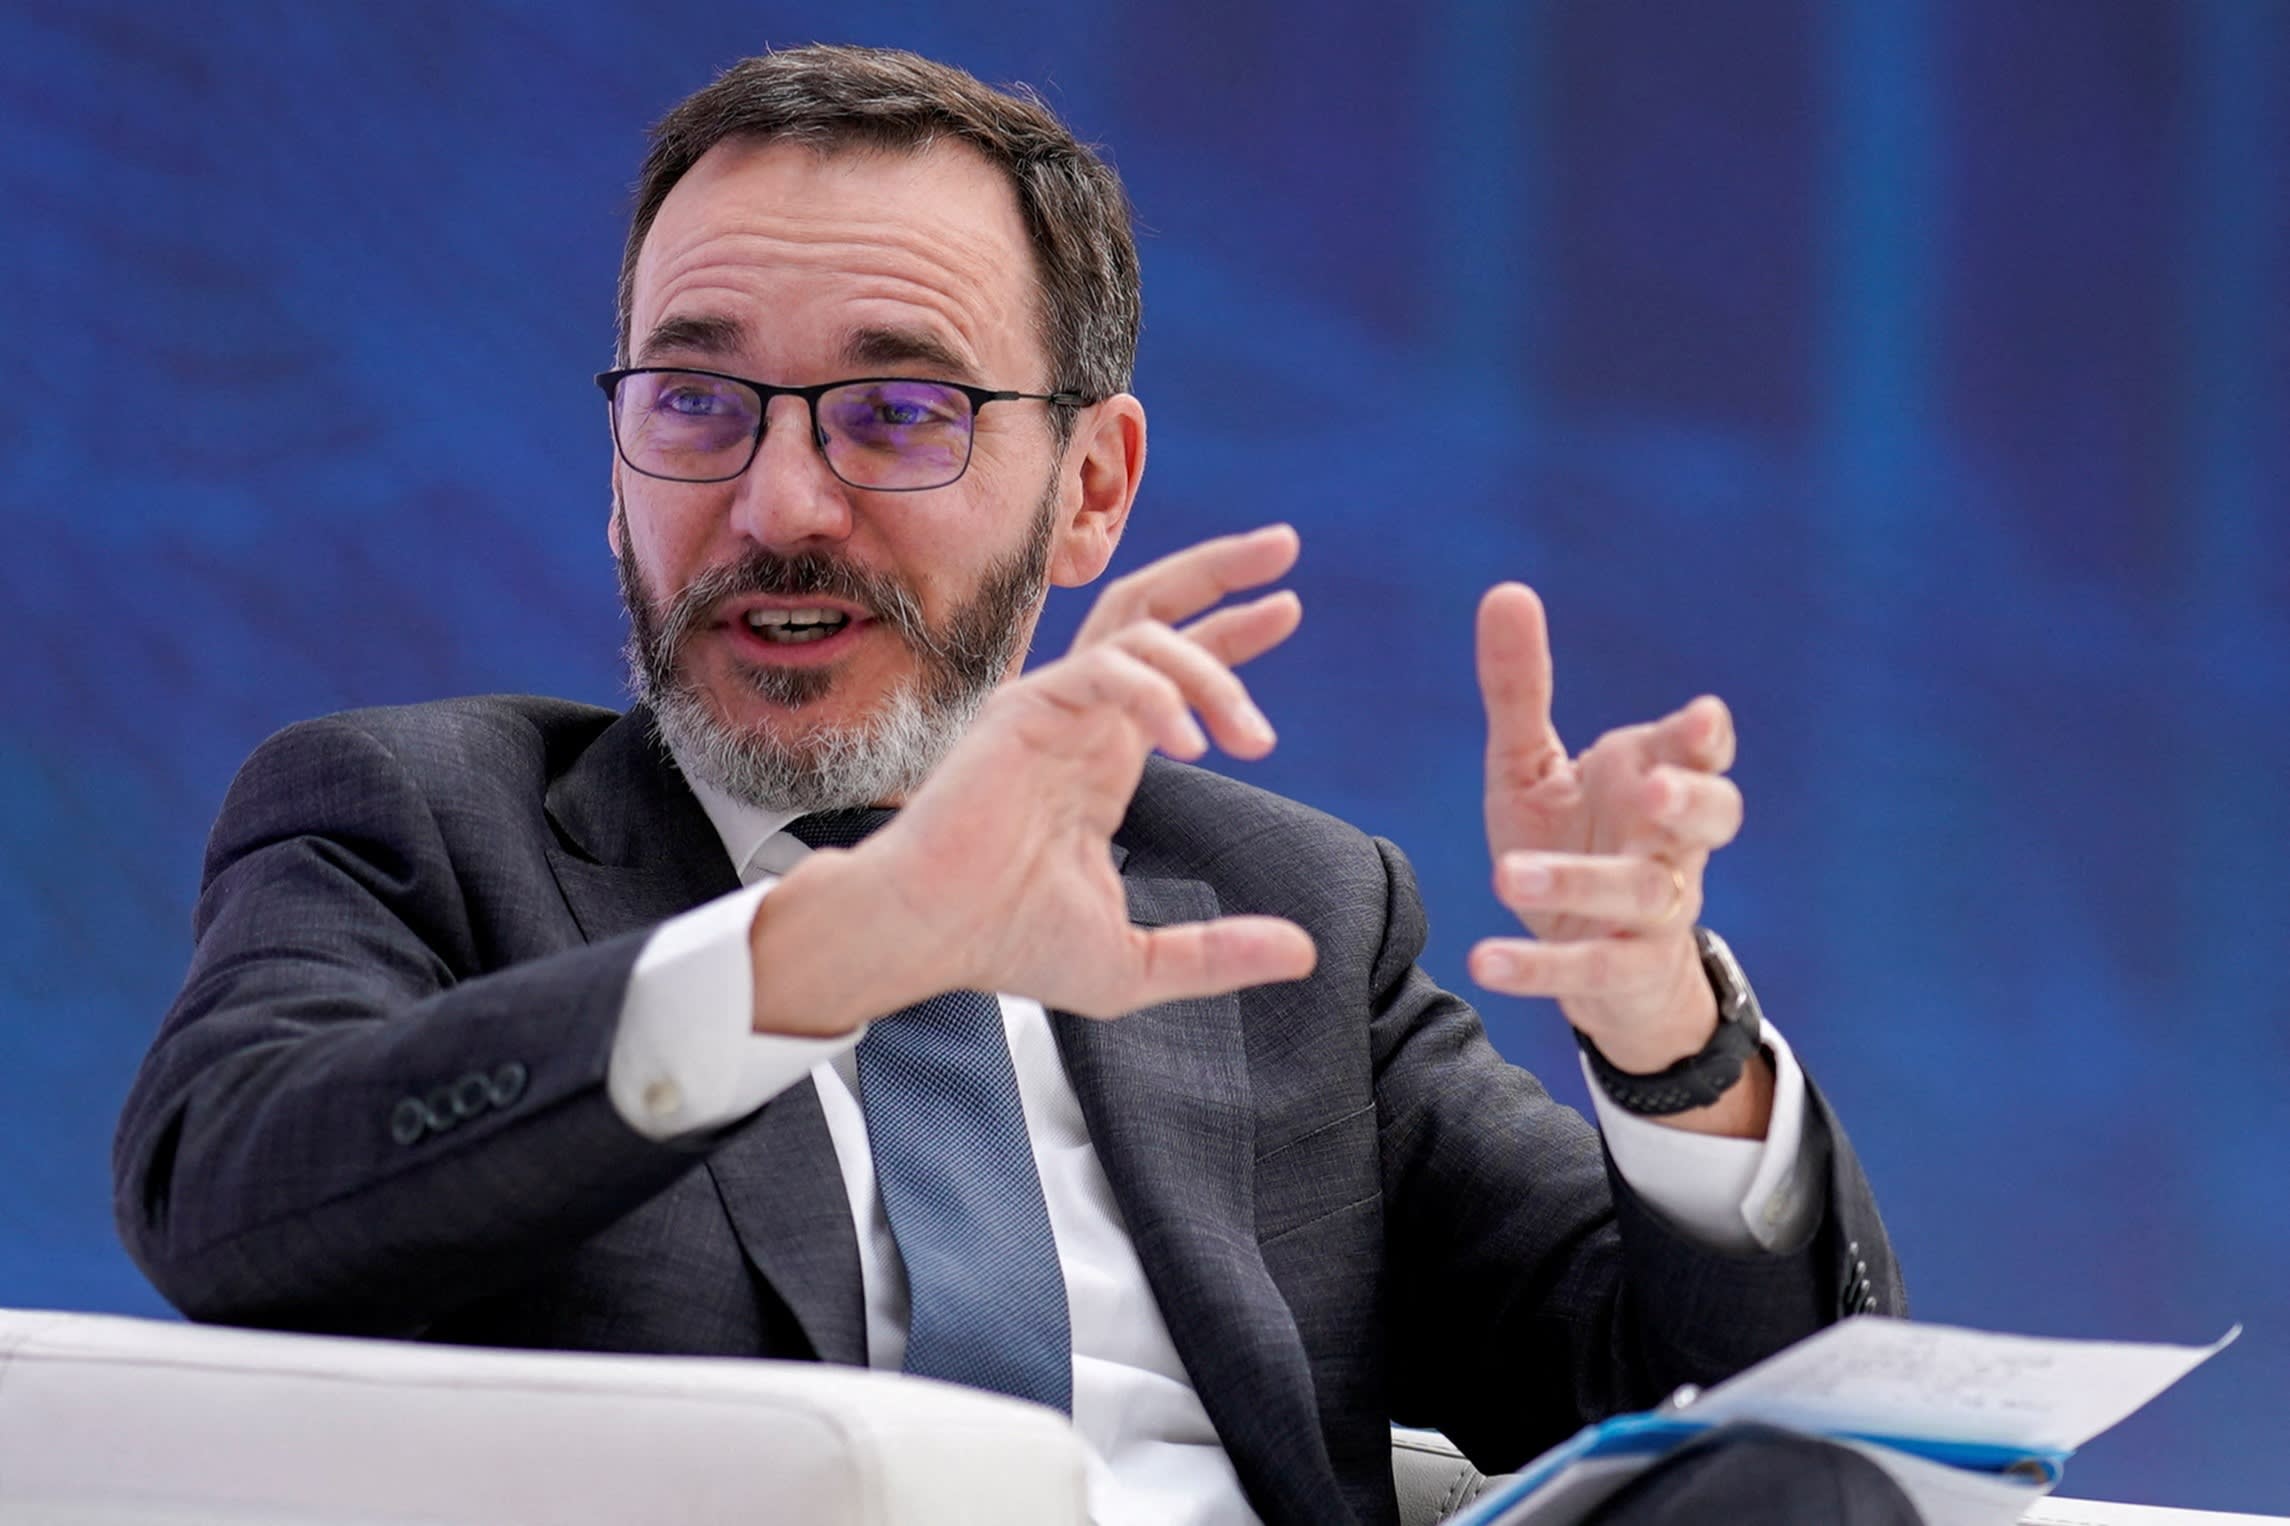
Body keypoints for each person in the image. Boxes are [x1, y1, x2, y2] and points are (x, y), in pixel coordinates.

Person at [114, 44, 1907, 1526]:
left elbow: (1696, 1400)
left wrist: (1668, 1043)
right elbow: (234, 1201)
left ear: (1094, 487)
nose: (781, 505)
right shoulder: (420, 825)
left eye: (897, 416)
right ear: (613, 459)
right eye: (695, 401)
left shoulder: (1276, 905)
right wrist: (838, 944)